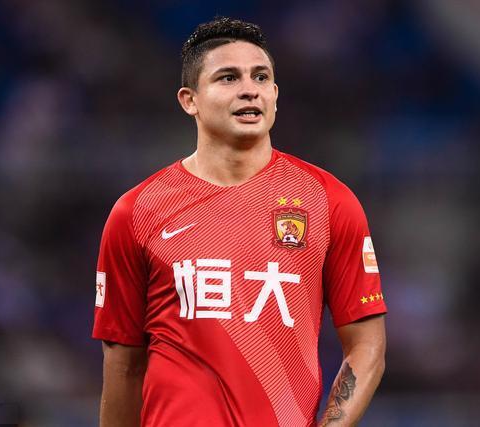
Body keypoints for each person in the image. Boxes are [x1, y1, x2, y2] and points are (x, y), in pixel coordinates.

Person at [92, 16, 387, 427]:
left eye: (261, 77)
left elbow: (367, 346)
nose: (250, 89)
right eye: (228, 78)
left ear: (275, 94)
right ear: (189, 100)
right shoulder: (136, 212)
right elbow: (124, 366)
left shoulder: (329, 201)